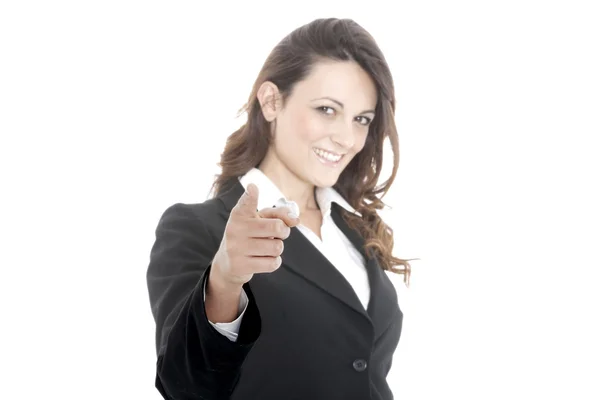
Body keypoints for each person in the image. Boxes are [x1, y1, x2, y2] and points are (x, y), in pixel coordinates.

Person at [146, 17, 414, 400]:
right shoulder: (198, 227)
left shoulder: (352, 231)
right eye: (326, 109)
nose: (346, 137)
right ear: (272, 101)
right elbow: (183, 386)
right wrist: (223, 280)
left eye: (361, 119)